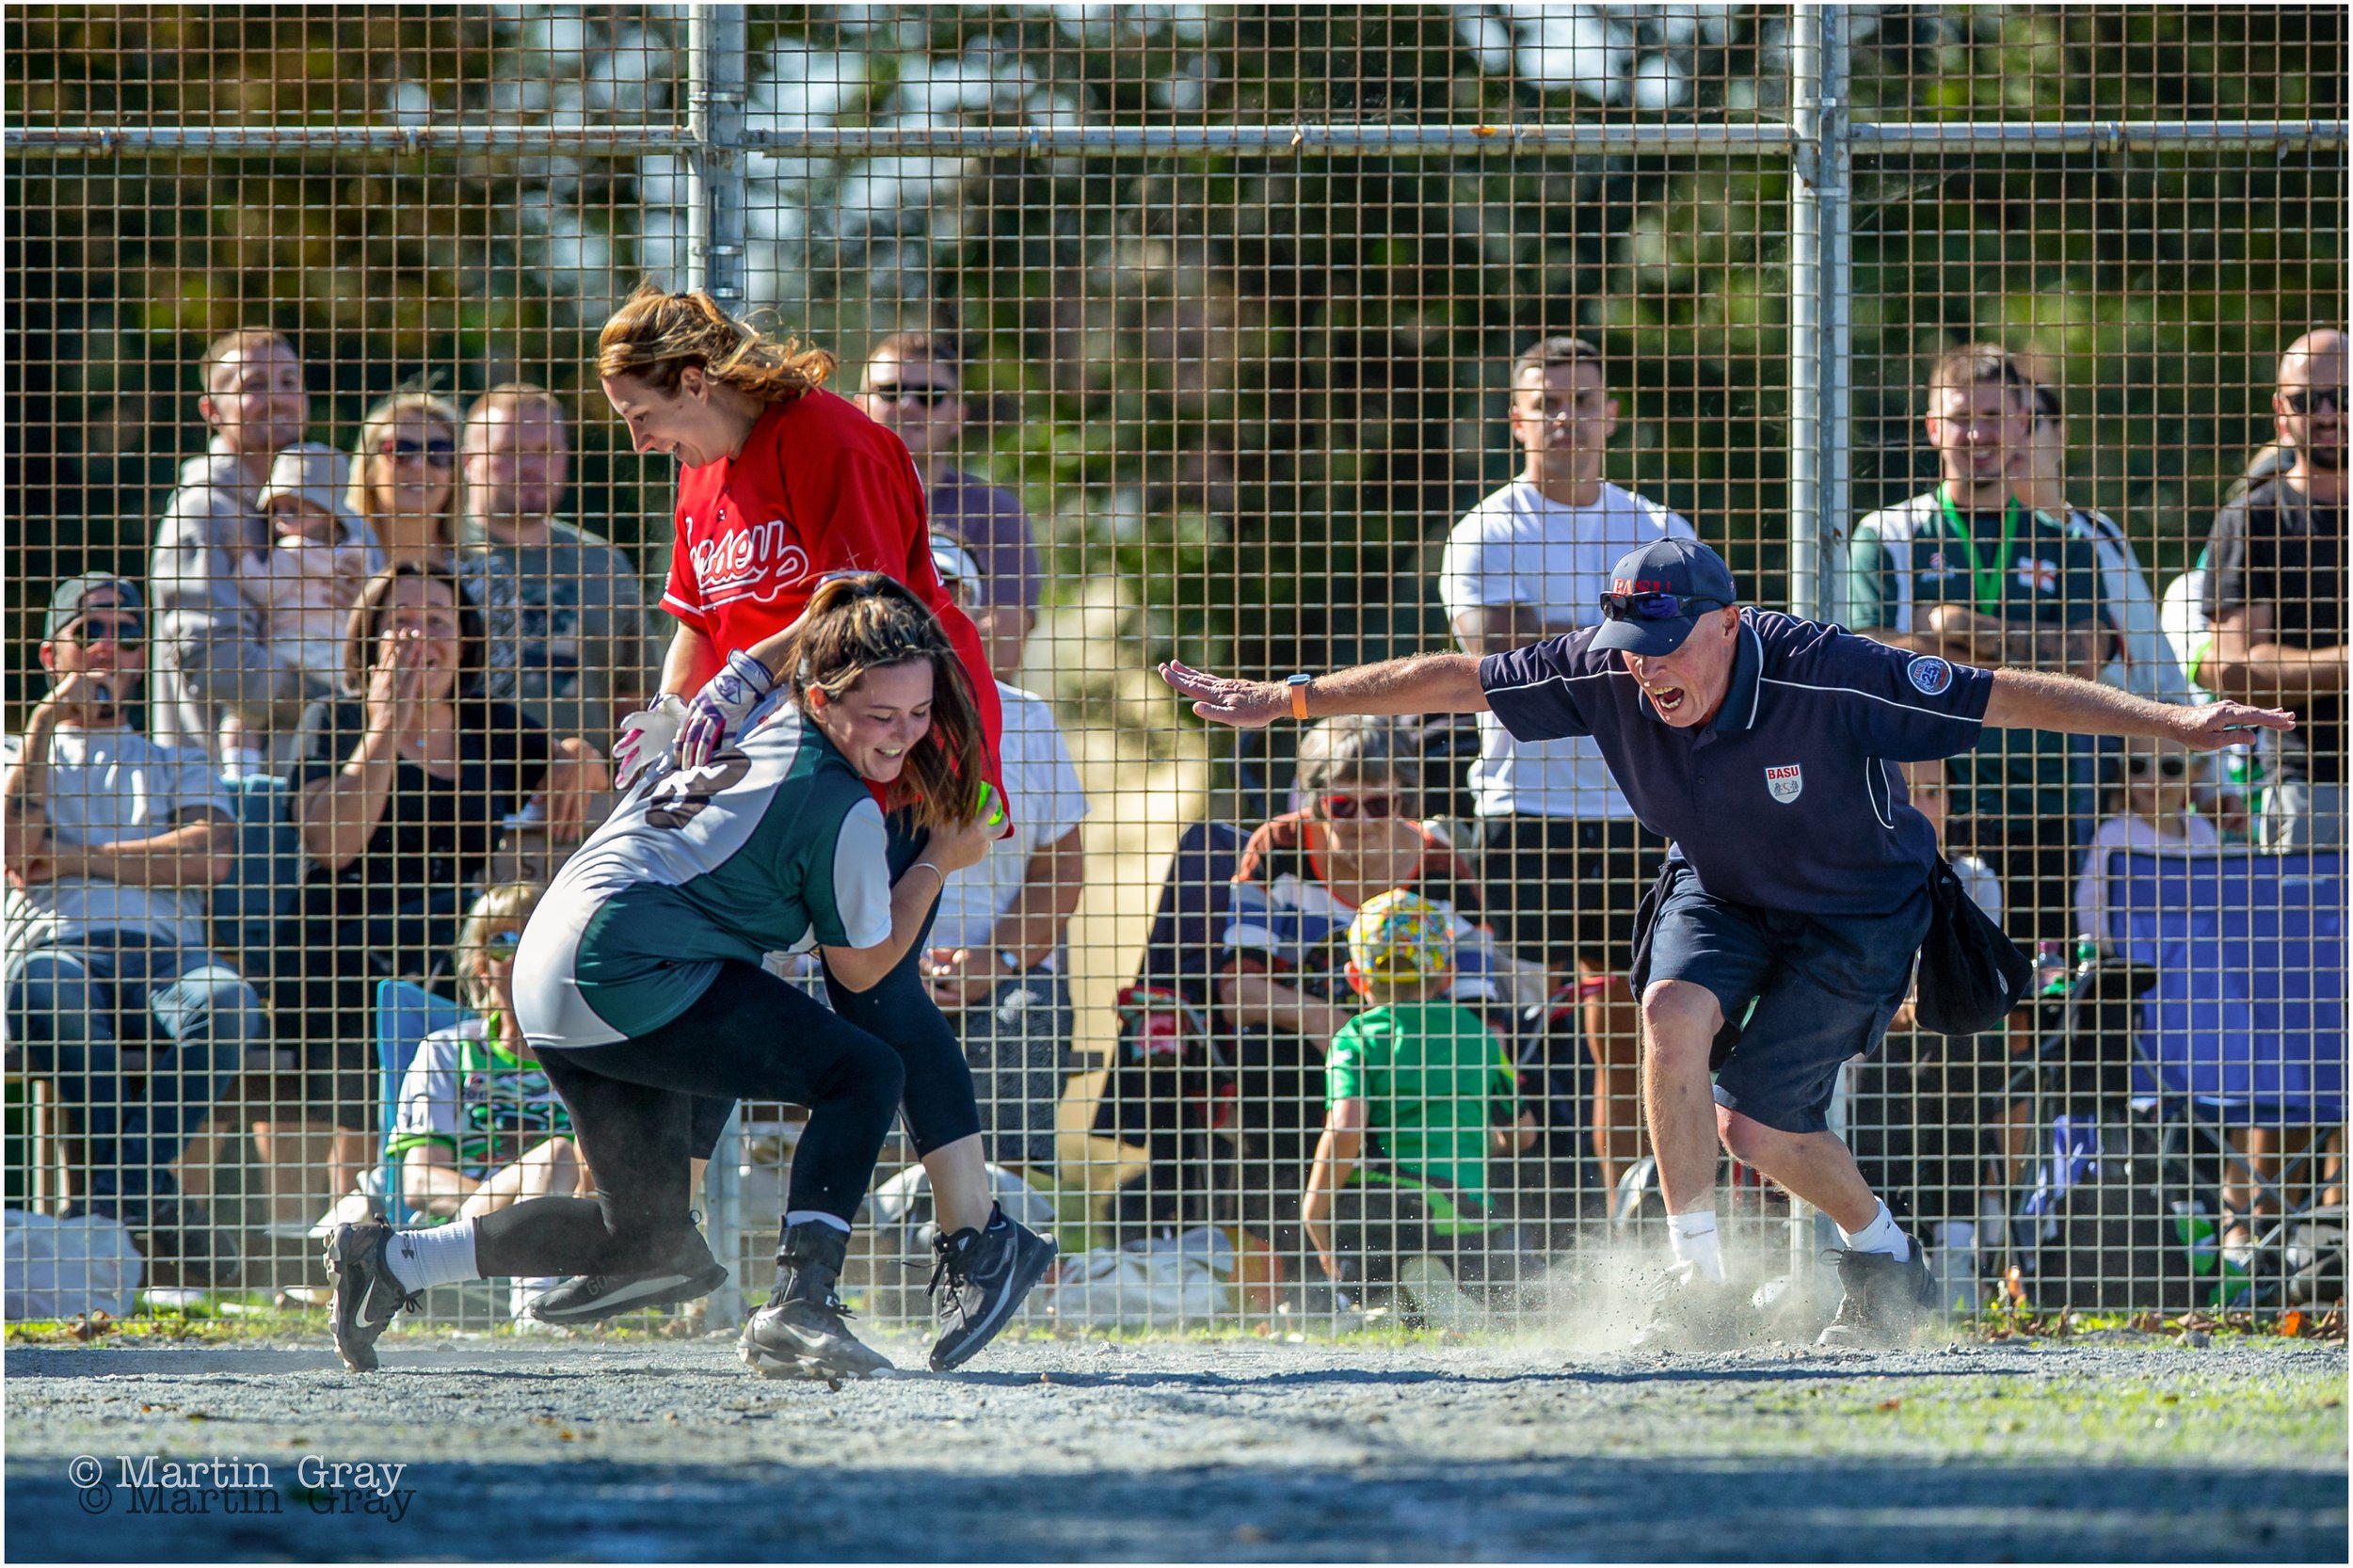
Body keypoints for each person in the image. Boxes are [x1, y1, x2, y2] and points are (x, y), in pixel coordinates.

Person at [1159, 536, 2294, 1348]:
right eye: (1629, 643)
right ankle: (1695, 1277)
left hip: (1860, 907)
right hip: (1718, 884)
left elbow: (2011, 697)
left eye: (1667, 641)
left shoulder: (1827, 666)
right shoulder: (1606, 665)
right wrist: (1289, 699)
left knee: (1758, 1123)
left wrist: (2178, 721)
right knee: (1664, 1020)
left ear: (1728, 623)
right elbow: (1455, 676)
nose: (1646, 666)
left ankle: (1884, 1257)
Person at [322, 574, 1000, 1380]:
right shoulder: (842, 803)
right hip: (620, 966)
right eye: (879, 715)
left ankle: (393, 1259)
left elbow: (762, 665)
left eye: (919, 715)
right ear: (820, 699)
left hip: (552, 968)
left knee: (646, 1237)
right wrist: (938, 859)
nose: (900, 737)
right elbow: (862, 966)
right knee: (867, 1070)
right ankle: (803, 1303)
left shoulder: (757, 721)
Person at [594, 282, 1051, 1368]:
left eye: (641, 412)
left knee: (874, 983)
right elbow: (698, 623)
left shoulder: (826, 435)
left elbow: (869, 610)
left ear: (694, 381)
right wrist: (667, 714)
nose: (639, 436)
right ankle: (643, 1228)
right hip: (779, 759)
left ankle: (975, 1240)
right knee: (739, 965)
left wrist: (748, 676)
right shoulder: (702, 471)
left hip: (890, 738)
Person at [261, 563, 604, 1236]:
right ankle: (354, 1228)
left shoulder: (488, 725)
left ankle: (485, 1214)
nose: (421, 635)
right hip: (348, 939)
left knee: (506, 951)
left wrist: (577, 756)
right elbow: (332, 843)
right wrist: (385, 726)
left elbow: (582, 761)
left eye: (439, 621)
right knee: (382, 989)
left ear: (466, 641)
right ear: (371, 638)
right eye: (402, 620)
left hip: (462, 943)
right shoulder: (332, 719)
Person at [1438, 334, 1692, 1202]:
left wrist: (1557, 637)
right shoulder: (1486, 530)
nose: (1565, 418)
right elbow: (1497, 659)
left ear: (1610, 416)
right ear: (1516, 420)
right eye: (1546, 402)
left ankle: (1629, 1200)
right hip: (1528, 807)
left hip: (1645, 807)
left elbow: (1695, 652)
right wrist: (1630, 639)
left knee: (1632, 1022)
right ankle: (1530, 1206)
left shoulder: (1657, 528)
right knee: (1527, 1020)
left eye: (1582, 400)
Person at [2, 574, 261, 1285]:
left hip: (166, 959)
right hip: (55, 956)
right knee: (49, 993)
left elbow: (209, 856)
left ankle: (107, 1210)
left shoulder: (178, 758)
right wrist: (47, 721)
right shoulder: (16, 751)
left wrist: (75, 859)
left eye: (126, 634)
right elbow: (14, 850)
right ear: (51, 655)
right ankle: (158, 1207)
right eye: (90, 632)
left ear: (143, 657)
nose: (109, 648)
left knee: (230, 1002)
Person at [1846, 343, 2121, 947]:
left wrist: (1956, 626)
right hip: (1923, 798)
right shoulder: (1888, 533)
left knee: (2031, 990)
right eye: (1961, 417)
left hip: (2043, 798)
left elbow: (2085, 658)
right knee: (1923, 986)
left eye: (1993, 417)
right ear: (1931, 427)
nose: (1977, 434)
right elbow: (1872, 659)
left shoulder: (2066, 538)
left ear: (2024, 422)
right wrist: (2019, 653)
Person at [1217, 716, 1501, 1257]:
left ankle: (1419, 1256)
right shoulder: (1278, 846)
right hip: (1302, 1045)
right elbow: (1238, 991)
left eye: (1382, 803)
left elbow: (1480, 1004)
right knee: (1265, 1063)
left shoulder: (1439, 864)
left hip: (1416, 1052)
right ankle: (1285, 1262)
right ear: (1313, 798)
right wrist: (1337, 1030)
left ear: (1406, 798)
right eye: (1343, 805)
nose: (1365, 822)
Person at [919, 540, 1087, 1179]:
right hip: (862, 964)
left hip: (1001, 972)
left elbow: (1061, 870)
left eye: (949, 591)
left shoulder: (1027, 719)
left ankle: (999, 1235)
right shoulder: (831, 717)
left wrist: (998, 959)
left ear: (974, 609)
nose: (929, 606)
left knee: (1025, 1015)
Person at [1300, 890, 1531, 1313]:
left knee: (1362, 1221)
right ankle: (1443, 1290)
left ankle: (1381, 1301)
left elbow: (1346, 1129)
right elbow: (1522, 1131)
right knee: (1472, 1274)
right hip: (1471, 1223)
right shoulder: (1477, 1035)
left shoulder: (1356, 1037)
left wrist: (1314, 1208)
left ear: (1356, 978)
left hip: (1390, 1216)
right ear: (1446, 976)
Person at [388, 882, 594, 1321]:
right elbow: (420, 1181)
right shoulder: (446, 1052)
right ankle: (534, 1313)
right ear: (480, 965)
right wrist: (520, 1205)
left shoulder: (585, 1056)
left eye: (537, 938)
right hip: (475, 1223)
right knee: (552, 1155)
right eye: (503, 942)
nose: (520, 957)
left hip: (571, 1218)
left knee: (572, 1159)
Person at [1848, 757, 2007, 1314]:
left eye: (1935, 792)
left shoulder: (1974, 878)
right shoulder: (1854, 873)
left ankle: (1957, 1245)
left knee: (1957, 1049)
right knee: (1905, 1060)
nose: (1923, 803)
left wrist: (1921, 1010)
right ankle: (1893, 1240)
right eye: (1910, 790)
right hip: (1869, 1042)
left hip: (1944, 1042)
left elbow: (1973, 983)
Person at [2201, 328, 2348, 850]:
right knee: (2316, 931)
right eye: (2309, 400)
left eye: (2344, 397)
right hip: (2313, 781)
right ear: (2281, 410)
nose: (2329, 414)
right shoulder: (2252, 519)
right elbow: (2231, 668)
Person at [148, 326, 317, 766]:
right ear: (212, 410)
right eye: (253, 386)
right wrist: (331, 696)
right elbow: (213, 661)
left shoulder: (330, 505)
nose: (277, 399)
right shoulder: (201, 510)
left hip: (326, 791)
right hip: (219, 794)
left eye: (289, 382)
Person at [458, 383, 651, 752]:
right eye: (511, 451)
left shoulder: (601, 564)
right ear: (470, 461)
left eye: (546, 451)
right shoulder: (439, 557)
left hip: (590, 797)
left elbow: (635, 694)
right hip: (469, 796)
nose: (531, 466)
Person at [854, 331, 1041, 679]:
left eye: (930, 395)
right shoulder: (835, 504)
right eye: (889, 392)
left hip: (963, 712)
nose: (908, 405)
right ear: (858, 407)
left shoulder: (995, 512)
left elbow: (1003, 650)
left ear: (958, 415)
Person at [218, 443, 381, 775]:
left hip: (292, 651)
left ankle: (240, 777)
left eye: (294, 509)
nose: (281, 519)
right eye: (278, 509)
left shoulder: (293, 550)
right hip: (336, 660)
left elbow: (263, 588)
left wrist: (241, 556)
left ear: (324, 512)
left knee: (240, 720)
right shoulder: (357, 551)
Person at [2071, 741, 2219, 941]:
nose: (2153, 778)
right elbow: (2088, 912)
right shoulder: (2113, 834)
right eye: (2138, 766)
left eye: (2170, 767)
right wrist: (2137, 943)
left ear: (2195, 771)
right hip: (2138, 962)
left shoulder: (2201, 829)